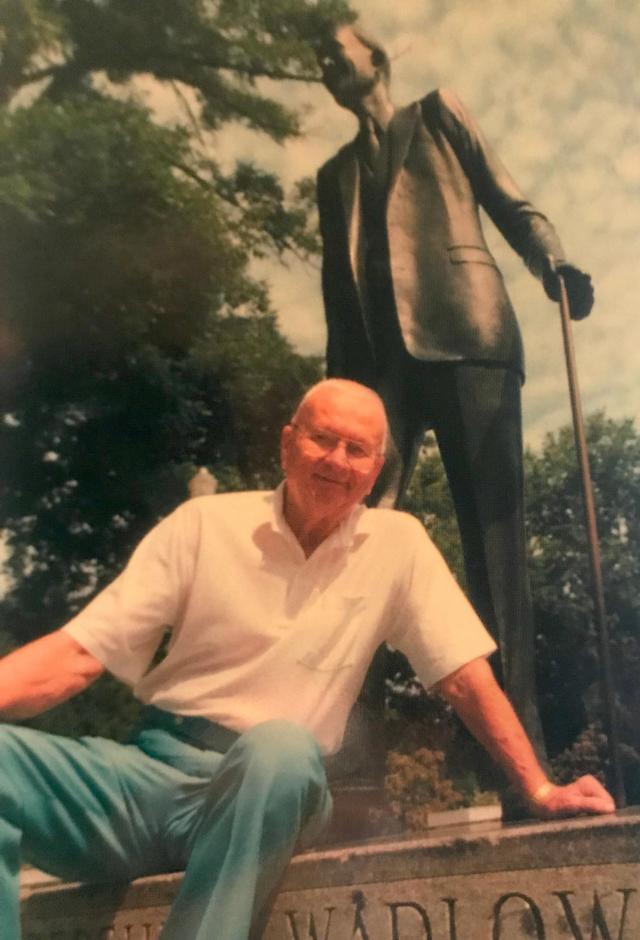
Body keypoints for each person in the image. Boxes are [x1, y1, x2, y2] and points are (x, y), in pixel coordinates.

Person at [0, 380, 613, 940]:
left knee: (281, 748)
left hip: (276, 788)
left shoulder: (399, 547)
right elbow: (78, 656)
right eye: (323, 439)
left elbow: (463, 677)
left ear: (374, 472)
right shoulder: (203, 525)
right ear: (288, 444)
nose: (337, 461)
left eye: (357, 450)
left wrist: (537, 786)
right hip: (150, 777)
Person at [314, 22, 595, 752]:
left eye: (334, 50)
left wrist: (551, 260)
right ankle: (345, 764)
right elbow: (335, 303)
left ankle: (515, 757)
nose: (323, 63)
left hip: (470, 339)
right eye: (316, 60)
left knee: (493, 545)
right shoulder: (333, 176)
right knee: (350, 544)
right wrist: (331, 400)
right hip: (377, 380)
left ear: (373, 58)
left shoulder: (438, 113)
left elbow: (510, 201)